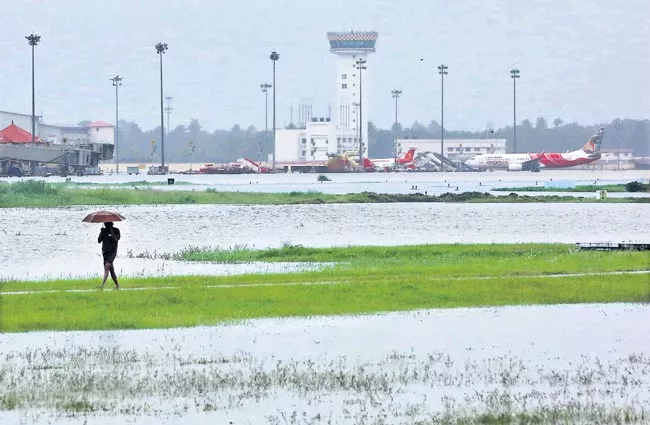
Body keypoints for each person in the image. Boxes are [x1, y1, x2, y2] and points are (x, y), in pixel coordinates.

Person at [98, 222, 121, 290]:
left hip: (112, 252)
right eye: (106, 224)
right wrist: (101, 232)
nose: (107, 226)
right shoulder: (104, 231)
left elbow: (116, 239)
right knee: (111, 270)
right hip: (105, 252)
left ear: (112, 224)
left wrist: (111, 231)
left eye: (108, 224)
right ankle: (117, 285)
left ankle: (102, 285)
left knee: (107, 266)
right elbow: (99, 241)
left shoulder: (116, 230)